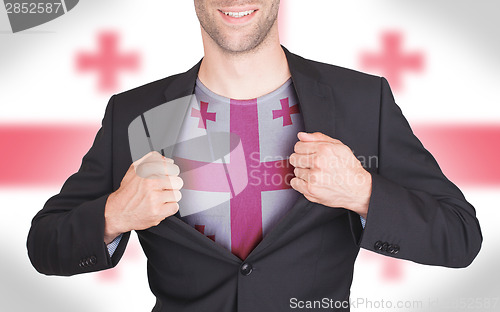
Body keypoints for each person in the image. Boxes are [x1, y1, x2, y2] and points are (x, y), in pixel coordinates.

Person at [27, 1, 482, 311]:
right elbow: (44, 245)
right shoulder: (135, 113)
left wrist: (363, 192)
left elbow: (460, 236)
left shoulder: (362, 101)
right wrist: (114, 214)